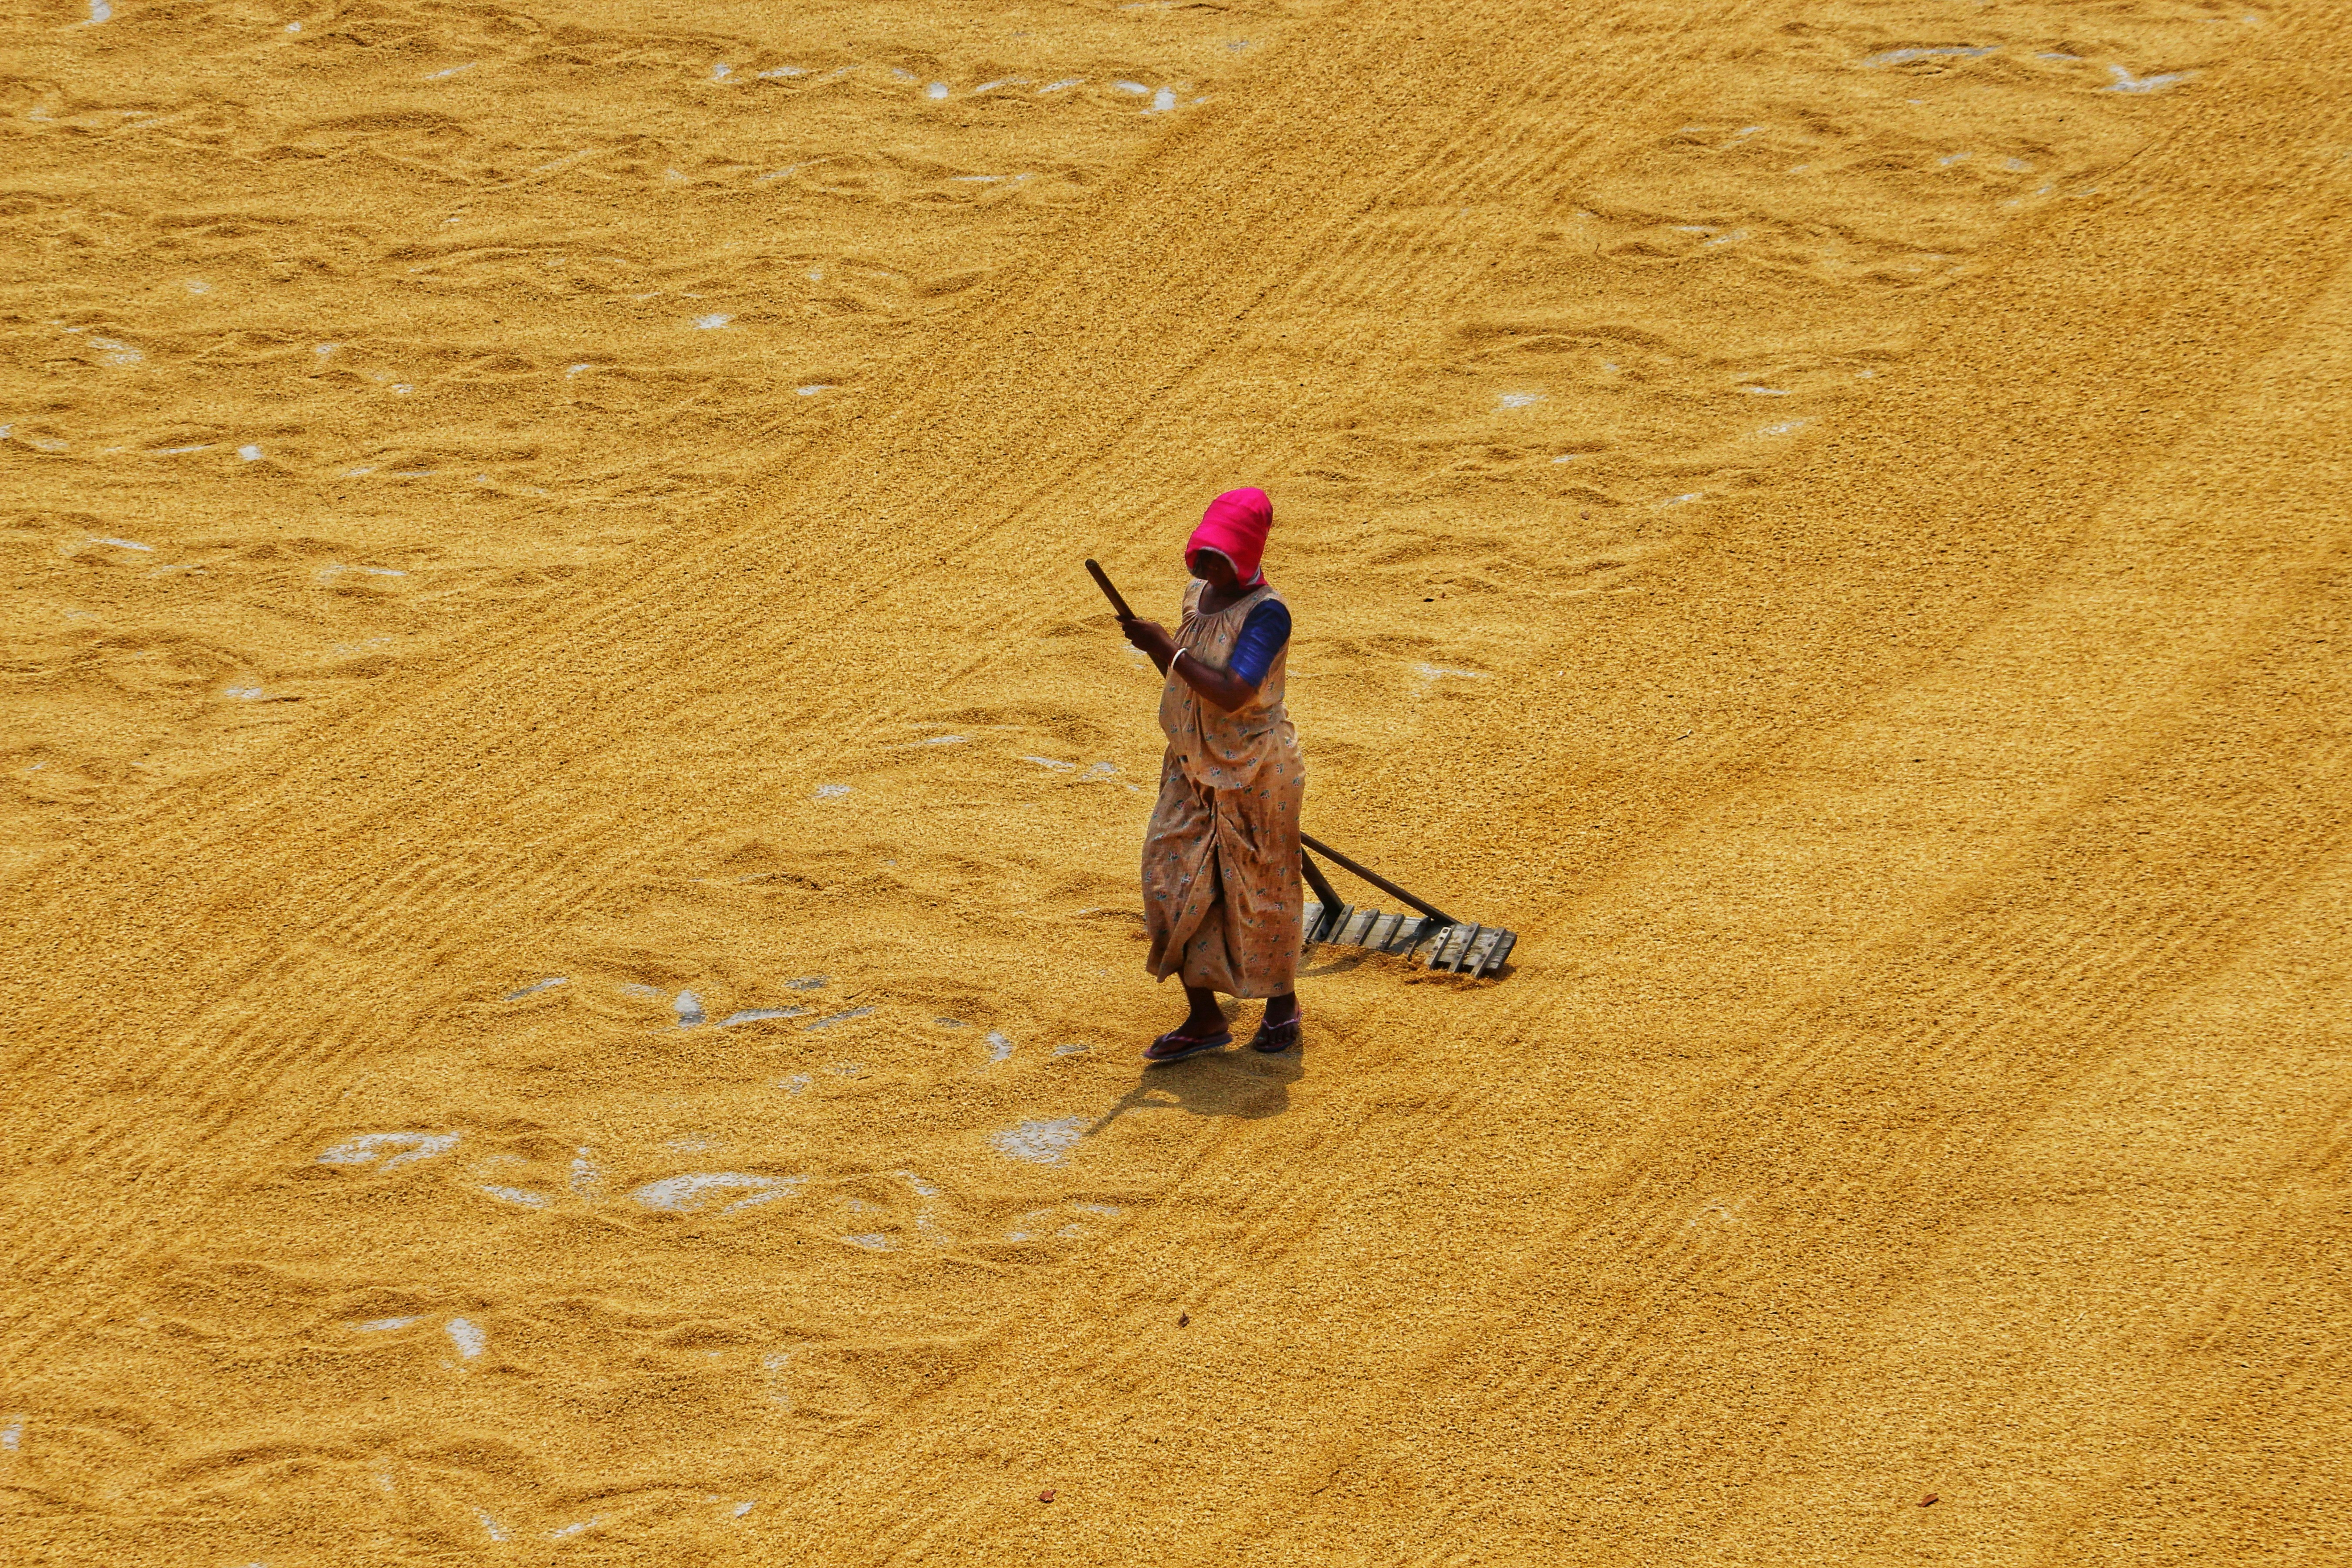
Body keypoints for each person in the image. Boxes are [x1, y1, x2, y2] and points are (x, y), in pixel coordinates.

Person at [1118, 487, 1304, 1062]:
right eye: (1200, 552)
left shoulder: (1268, 613)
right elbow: (1187, 672)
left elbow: (1233, 691)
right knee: (1169, 882)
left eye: (1219, 557)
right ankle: (1204, 1019)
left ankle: (1281, 1007)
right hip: (1188, 767)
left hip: (1255, 773)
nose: (1204, 566)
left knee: (1260, 893)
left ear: (1246, 556)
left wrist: (1164, 650)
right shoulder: (1197, 594)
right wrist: (1160, 648)